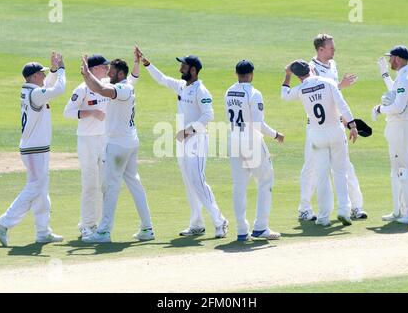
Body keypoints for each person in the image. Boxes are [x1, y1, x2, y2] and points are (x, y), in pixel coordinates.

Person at [137, 47, 229, 238]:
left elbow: (208, 115)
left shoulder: (201, 90)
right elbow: (162, 79)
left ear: (193, 70)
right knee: (189, 183)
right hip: (183, 142)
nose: (180, 69)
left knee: (198, 182)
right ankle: (196, 224)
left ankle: (220, 221)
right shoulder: (181, 86)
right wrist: (146, 63)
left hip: (197, 141)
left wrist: (188, 131)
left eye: (184, 66)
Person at [0, 52, 66, 246]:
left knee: (41, 189)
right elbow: (58, 88)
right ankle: (3, 222)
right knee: (35, 187)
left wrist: (52, 70)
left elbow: (48, 86)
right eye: (40, 74)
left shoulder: (30, 90)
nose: (43, 76)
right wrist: (62, 70)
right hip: (35, 150)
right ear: (33, 77)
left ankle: (43, 232)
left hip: (36, 148)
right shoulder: (35, 93)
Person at [81, 48, 155, 243]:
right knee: (134, 184)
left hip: (117, 145)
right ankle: (147, 228)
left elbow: (101, 90)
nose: (108, 74)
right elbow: (133, 76)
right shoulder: (127, 84)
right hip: (129, 142)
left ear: (120, 74)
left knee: (110, 188)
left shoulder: (122, 89)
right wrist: (86, 76)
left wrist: (88, 75)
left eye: (111, 72)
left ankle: (103, 232)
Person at [294, 33, 367, 222]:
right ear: (320, 49)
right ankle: (304, 208)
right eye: (331, 47)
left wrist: (346, 121)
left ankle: (355, 207)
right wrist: (340, 85)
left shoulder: (332, 65)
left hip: (335, 124)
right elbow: (319, 93)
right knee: (311, 168)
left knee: (345, 166)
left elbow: (334, 97)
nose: (334, 50)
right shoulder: (311, 69)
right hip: (316, 127)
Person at [282, 60, 358, 226]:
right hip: (336, 131)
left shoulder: (301, 89)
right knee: (340, 172)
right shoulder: (329, 82)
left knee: (322, 175)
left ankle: (323, 217)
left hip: (317, 135)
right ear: (311, 69)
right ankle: (344, 210)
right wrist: (352, 125)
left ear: (298, 76)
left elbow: (284, 95)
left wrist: (287, 76)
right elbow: (342, 105)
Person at [225, 60, 284, 241]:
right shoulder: (254, 93)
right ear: (251, 74)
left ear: (236, 74)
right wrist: (276, 134)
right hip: (251, 142)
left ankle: (242, 229)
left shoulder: (228, 92)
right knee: (266, 181)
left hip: (234, 141)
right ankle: (260, 227)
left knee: (239, 186)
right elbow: (258, 124)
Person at [63, 55, 111, 238]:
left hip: (105, 140)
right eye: (103, 67)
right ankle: (86, 225)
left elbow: (130, 81)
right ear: (94, 69)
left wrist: (138, 64)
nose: (107, 70)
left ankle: (100, 224)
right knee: (90, 183)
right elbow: (68, 112)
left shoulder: (107, 85)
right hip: (87, 141)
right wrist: (91, 112)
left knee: (106, 184)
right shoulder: (82, 89)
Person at [373, 45, 408, 224]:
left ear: (398, 59)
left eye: (391, 57)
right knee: (397, 170)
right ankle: (399, 210)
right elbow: (395, 92)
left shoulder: (406, 78)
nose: (389, 61)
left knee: (404, 169)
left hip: (400, 127)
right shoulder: (404, 75)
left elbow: (398, 107)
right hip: (400, 126)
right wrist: (385, 75)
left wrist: (380, 108)